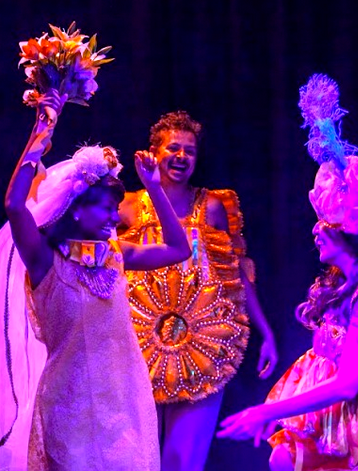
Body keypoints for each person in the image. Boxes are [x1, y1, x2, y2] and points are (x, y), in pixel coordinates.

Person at [0, 90, 191, 470]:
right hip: (68, 409)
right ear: (76, 210)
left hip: (123, 406)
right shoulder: (44, 261)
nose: (115, 217)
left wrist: (155, 187)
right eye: (106, 208)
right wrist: (43, 130)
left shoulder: (117, 256)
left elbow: (178, 248)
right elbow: (14, 206)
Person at [218, 74, 358, 471]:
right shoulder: (351, 286)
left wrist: (263, 411)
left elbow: (347, 383)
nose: (314, 230)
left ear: (352, 234)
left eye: (325, 223)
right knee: (286, 456)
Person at [117, 110, 278, 471]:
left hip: (200, 343)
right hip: (138, 344)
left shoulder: (213, 207)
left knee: (183, 461)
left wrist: (266, 331)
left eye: (189, 151)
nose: (182, 157)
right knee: (135, 458)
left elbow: (236, 273)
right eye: (173, 148)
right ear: (153, 153)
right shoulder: (127, 206)